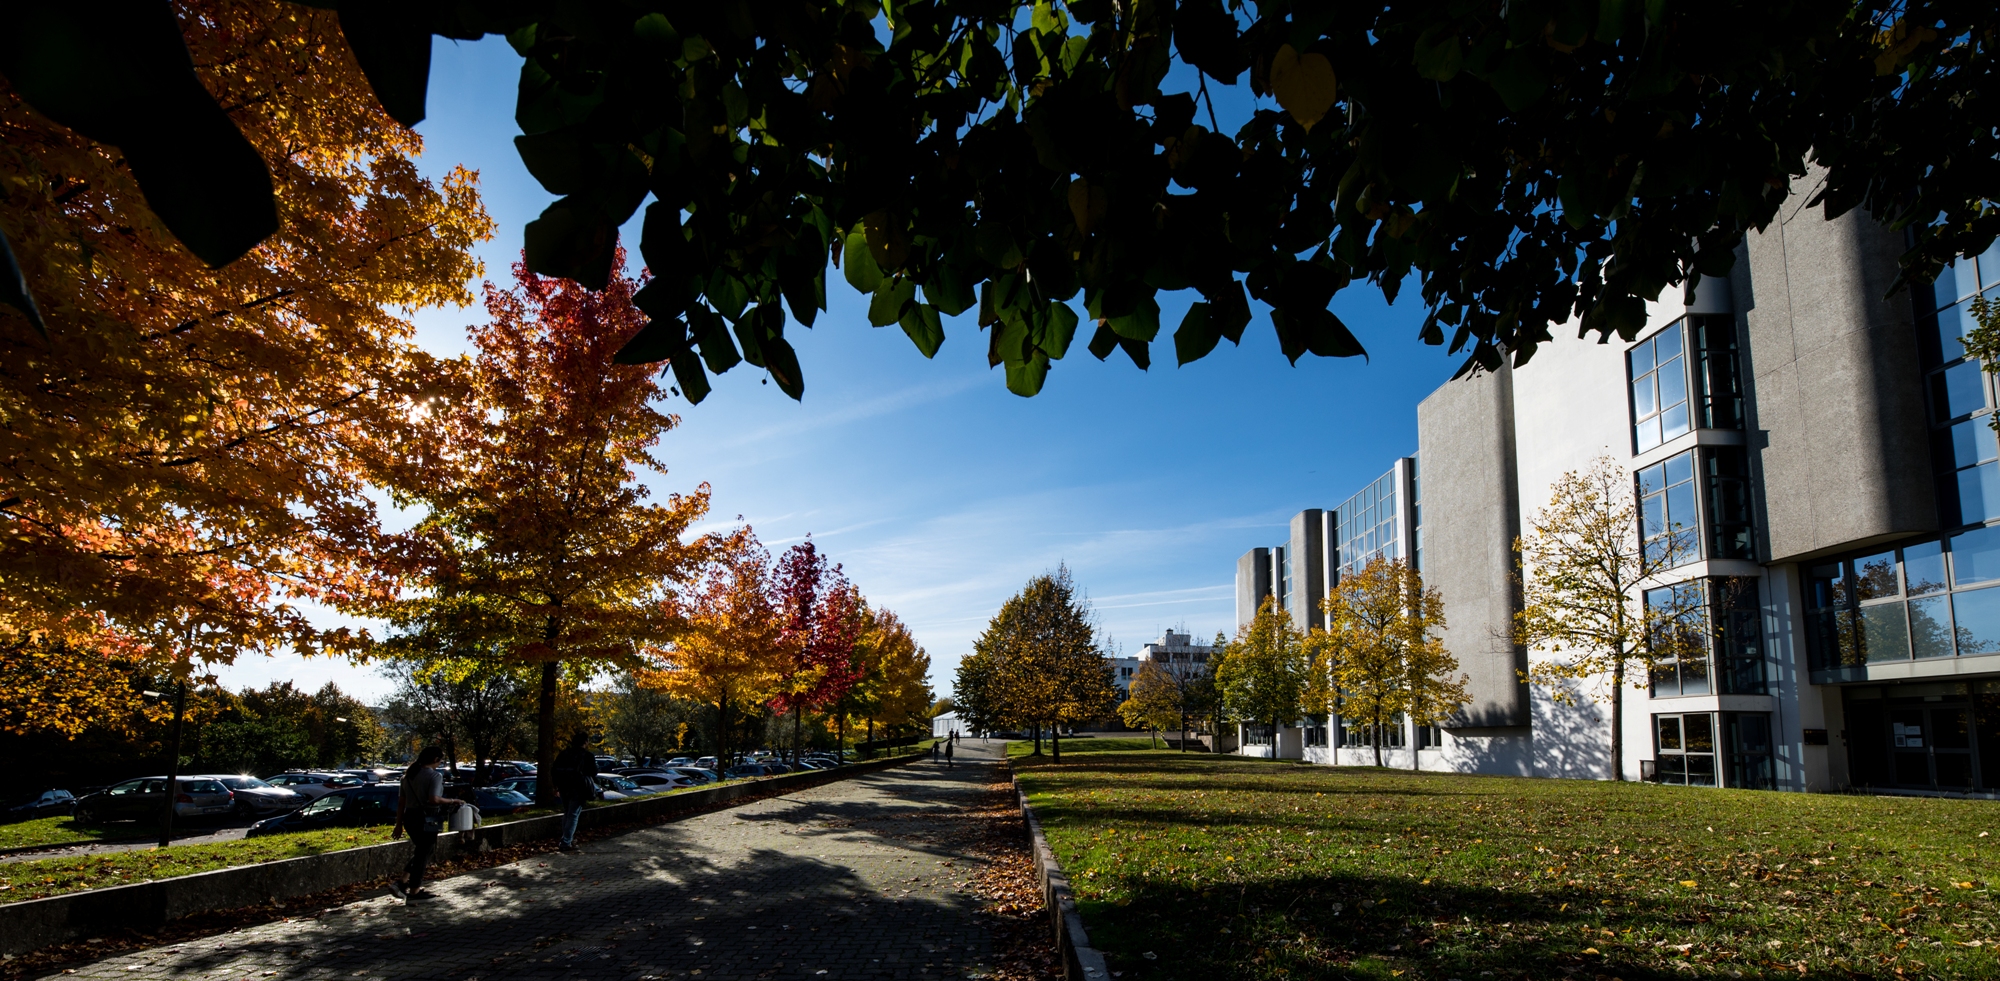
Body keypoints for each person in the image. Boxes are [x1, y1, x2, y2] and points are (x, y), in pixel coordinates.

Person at [389, 746, 464, 900]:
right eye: (440, 761)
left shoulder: (407, 776)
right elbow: (434, 799)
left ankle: (402, 882)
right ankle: (414, 891)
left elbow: (401, 803)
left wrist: (398, 825)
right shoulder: (434, 776)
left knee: (422, 851)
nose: (440, 764)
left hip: (410, 817)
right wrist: (453, 800)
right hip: (427, 818)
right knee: (423, 854)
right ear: (436, 760)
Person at [554, 731, 597, 853]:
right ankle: (566, 841)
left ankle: (568, 839)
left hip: (564, 787)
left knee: (567, 812)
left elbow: (554, 770)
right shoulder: (587, 756)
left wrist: (556, 786)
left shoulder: (564, 754)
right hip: (578, 788)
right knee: (573, 814)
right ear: (585, 742)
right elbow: (593, 772)